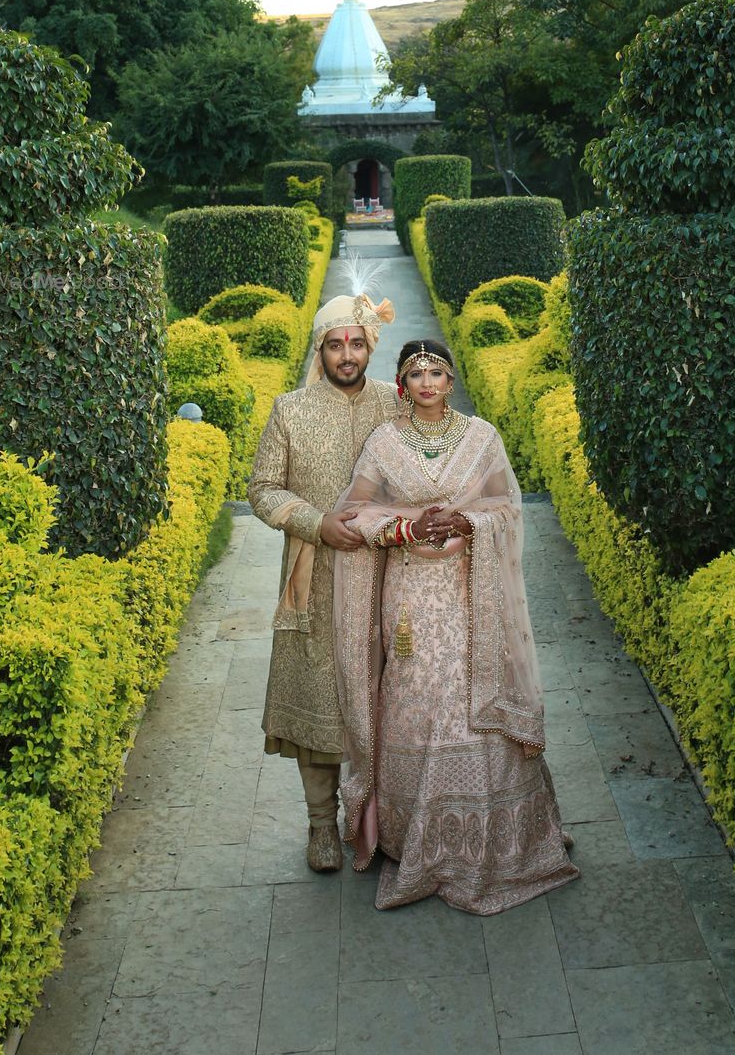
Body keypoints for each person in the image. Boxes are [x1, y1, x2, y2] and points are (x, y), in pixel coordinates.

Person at [333, 338, 578, 913]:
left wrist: (469, 521)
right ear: (401, 383)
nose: (426, 383)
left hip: (472, 590)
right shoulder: (385, 442)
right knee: (420, 691)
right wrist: (403, 530)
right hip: (412, 595)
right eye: (415, 373)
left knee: (472, 689)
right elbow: (354, 512)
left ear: (450, 382)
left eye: (436, 373)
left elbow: (508, 505)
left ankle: (493, 838)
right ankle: (410, 835)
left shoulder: (481, 437)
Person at [247, 287, 398, 872]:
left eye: (356, 343)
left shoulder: (393, 404)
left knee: (387, 700)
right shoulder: (290, 409)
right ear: (320, 350)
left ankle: (378, 819)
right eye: (334, 345)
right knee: (318, 703)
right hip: (314, 579)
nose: (346, 355)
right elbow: (262, 490)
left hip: (387, 577)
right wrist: (316, 522)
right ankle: (320, 826)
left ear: (370, 347)